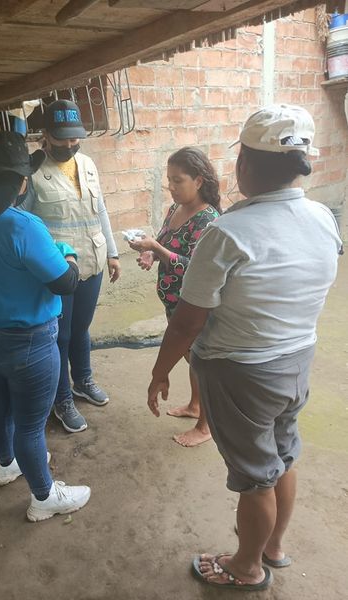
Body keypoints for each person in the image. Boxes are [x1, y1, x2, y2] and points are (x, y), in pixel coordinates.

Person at [146, 104, 342, 591]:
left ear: (244, 164)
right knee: (282, 457)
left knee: (255, 476)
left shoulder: (227, 232)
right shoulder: (323, 217)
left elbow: (188, 321)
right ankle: (273, 546)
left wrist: (160, 371)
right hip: (297, 359)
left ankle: (246, 567)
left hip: (241, 371)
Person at [0, 131, 91, 522]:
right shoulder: (21, 225)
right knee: (31, 426)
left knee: (1, 406)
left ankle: (6, 465)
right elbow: (65, 282)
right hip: (30, 344)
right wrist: (68, 253)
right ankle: (44, 498)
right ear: (19, 182)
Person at [27, 99, 121, 434]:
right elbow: (23, 221)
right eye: (62, 138)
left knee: (81, 328)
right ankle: (61, 398)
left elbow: (101, 210)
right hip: (57, 268)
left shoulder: (88, 164)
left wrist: (113, 253)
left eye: (75, 137)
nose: (70, 144)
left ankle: (82, 380)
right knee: (60, 335)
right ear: (46, 134)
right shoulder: (31, 171)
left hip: (92, 260)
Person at [128, 147, 220, 446]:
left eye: (178, 180)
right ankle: (195, 405)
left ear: (199, 180)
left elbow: (194, 266)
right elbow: (166, 242)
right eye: (169, 180)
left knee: (202, 363)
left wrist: (156, 248)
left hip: (194, 307)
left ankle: (205, 426)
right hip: (174, 305)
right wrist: (151, 254)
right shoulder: (175, 209)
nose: (171, 187)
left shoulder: (208, 220)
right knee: (191, 357)